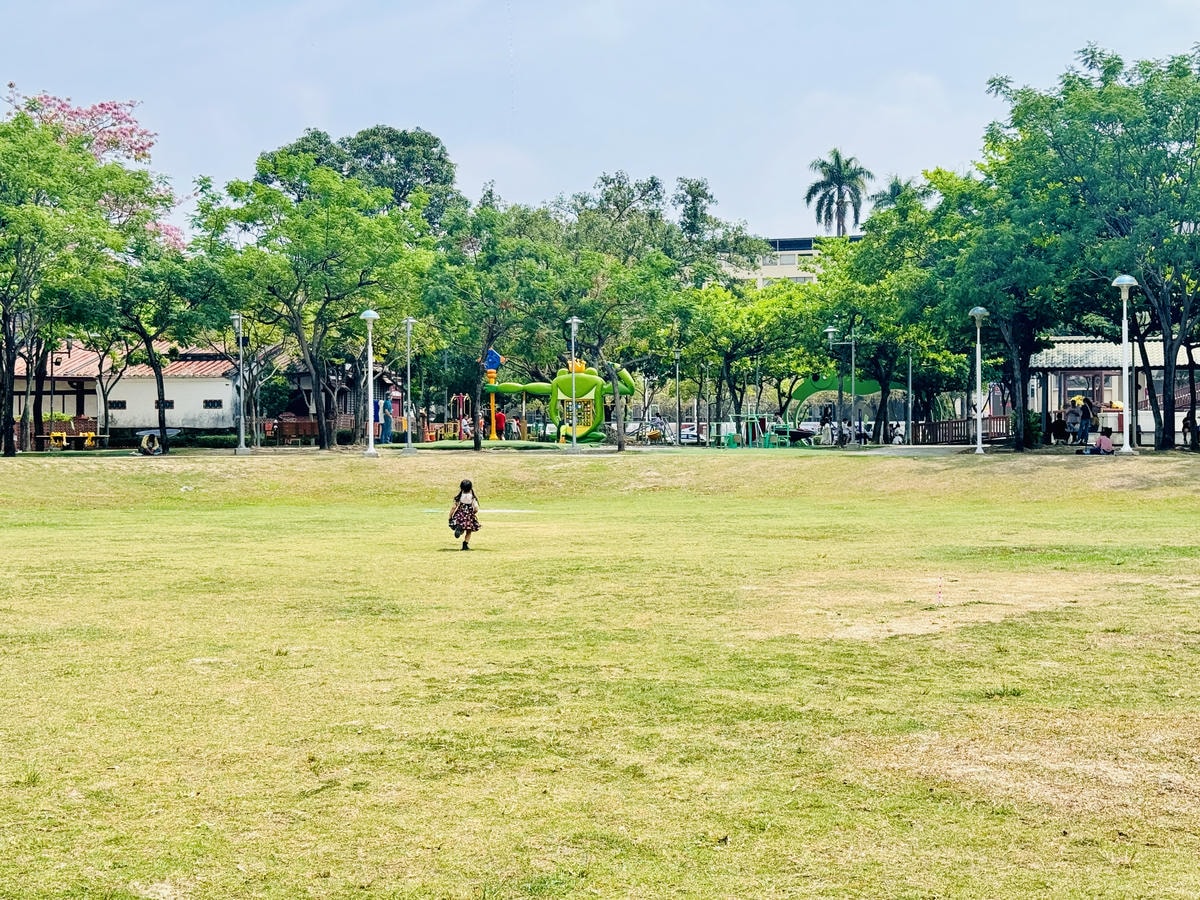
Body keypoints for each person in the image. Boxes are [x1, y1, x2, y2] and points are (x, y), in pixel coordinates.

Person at [448, 479, 481, 550]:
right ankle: (465, 544)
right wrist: (473, 513)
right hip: (468, 516)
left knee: (460, 525)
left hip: (460, 515)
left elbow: (454, 507)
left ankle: (459, 529)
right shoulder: (472, 497)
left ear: (461, 487)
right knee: (469, 530)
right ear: (470, 488)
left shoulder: (460, 496)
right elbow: (476, 508)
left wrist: (450, 516)